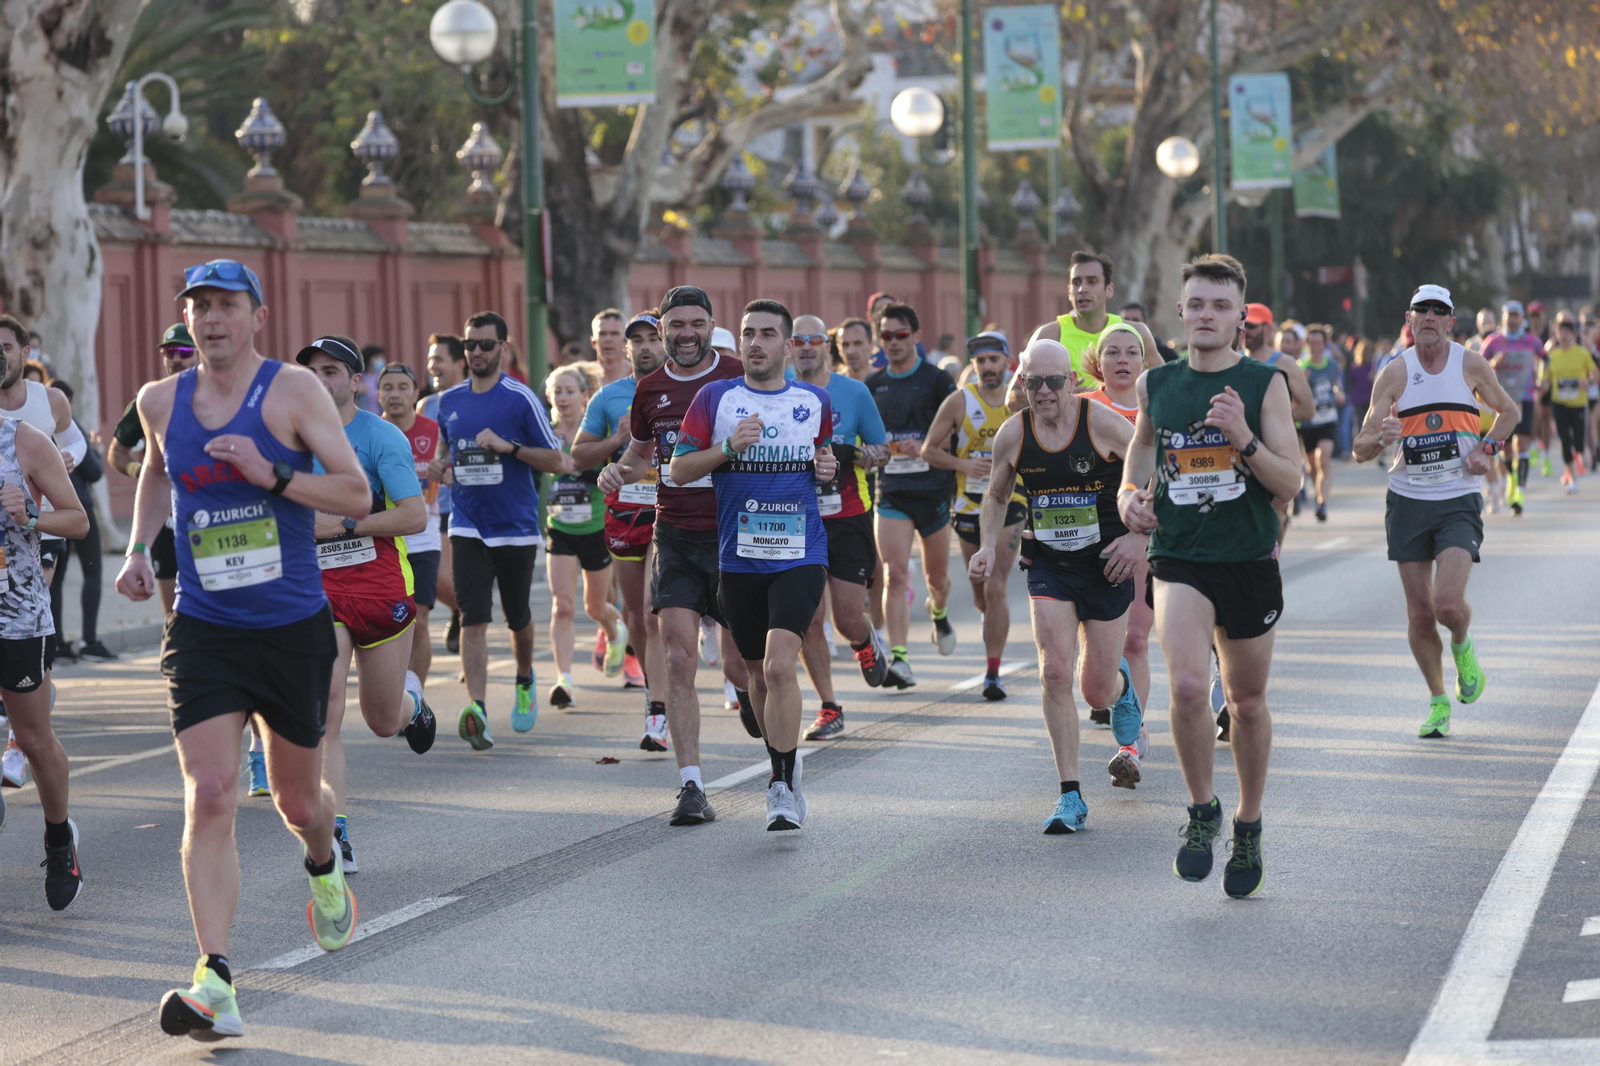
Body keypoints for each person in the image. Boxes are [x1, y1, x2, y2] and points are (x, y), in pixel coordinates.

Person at [114, 259, 368, 1040]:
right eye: (199, 308)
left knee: (297, 803)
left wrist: (273, 472)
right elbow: (157, 473)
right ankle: (215, 979)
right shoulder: (159, 400)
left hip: (290, 626)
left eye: (226, 306)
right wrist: (135, 548)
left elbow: (355, 493)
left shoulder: (293, 391)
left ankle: (324, 867)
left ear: (255, 315)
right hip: (204, 628)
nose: (211, 320)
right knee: (213, 792)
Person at [1119, 253, 1303, 899]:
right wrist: (1128, 495)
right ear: (1180, 311)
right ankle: (1202, 811)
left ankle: (1248, 822)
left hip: (1249, 559)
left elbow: (1291, 480)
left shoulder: (1264, 382)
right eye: (1197, 303)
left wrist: (1243, 436)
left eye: (1220, 306)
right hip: (1180, 559)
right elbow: (1142, 449)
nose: (1206, 315)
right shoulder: (1157, 384)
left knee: (1247, 703)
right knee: (1192, 687)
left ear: (1238, 319)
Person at [669, 300, 836, 830]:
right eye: (747, 334)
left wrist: (827, 468)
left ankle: (781, 786)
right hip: (739, 559)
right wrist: (726, 447)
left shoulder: (814, 400)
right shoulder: (714, 398)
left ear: (787, 346)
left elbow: (823, 461)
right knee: (758, 675)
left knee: (782, 664)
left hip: (800, 554)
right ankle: (783, 760)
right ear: (737, 343)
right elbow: (677, 470)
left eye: (767, 334)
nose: (756, 343)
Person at [969, 338, 1146, 829]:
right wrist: (987, 545)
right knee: (1054, 673)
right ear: (1020, 384)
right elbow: (997, 494)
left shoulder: (1104, 424)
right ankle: (1071, 795)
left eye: (1053, 381)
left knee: (1094, 691)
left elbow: (1152, 471)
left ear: (1072, 382)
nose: (1043, 391)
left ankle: (1121, 686)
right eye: (1032, 382)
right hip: (1049, 563)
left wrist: (1138, 541)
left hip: (1107, 564)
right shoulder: (1013, 433)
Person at [596, 286, 750, 824]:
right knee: (679, 656)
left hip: (738, 534)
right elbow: (643, 453)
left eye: (696, 323)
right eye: (676, 325)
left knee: (738, 664)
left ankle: (751, 695)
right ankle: (691, 787)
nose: (686, 334)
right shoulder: (650, 388)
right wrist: (619, 469)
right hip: (676, 535)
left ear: (711, 325)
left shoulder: (737, 376)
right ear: (662, 331)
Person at [1353, 285, 1517, 739]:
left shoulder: (1470, 364)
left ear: (1449, 321)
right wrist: (1381, 438)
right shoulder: (1393, 373)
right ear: (1409, 319)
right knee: (1421, 615)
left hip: (1457, 499)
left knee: (1447, 605)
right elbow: (1359, 447)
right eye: (1421, 309)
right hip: (1407, 501)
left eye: (1438, 311)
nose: (1429, 316)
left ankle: (1463, 645)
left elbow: (1509, 411)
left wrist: (1489, 447)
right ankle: (1439, 699)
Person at [298, 335, 433, 875]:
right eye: (311, 371)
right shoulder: (286, 437)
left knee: (381, 721)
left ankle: (412, 704)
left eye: (332, 371)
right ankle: (335, 836)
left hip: (379, 582)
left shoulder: (381, 437)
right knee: (325, 714)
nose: (320, 380)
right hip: (316, 589)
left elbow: (413, 516)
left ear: (357, 382)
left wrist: (346, 525)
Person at [428, 311, 569, 750]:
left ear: (503, 349)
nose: (477, 353)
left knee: (517, 615)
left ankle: (525, 677)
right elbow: (445, 455)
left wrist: (510, 448)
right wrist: (440, 470)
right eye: (470, 345)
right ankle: (479, 710)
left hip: (515, 527)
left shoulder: (520, 398)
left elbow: (557, 460)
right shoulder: (449, 401)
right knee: (473, 616)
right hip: (469, 525)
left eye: (486, 345)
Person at [0, 314, 90, 907]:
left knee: (33, 739)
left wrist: (28, 515)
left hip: (17, 613)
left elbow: (78, 519)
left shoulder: (27, 440)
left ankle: (60, 838)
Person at [787, 314, 890, 739]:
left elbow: (882, 449)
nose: (807, 347)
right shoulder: (778, 392)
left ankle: (865, 642)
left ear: (826, 346)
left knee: (847, 620)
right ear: (789, 347)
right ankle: (829, 707)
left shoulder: (854, 391)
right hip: (795, 518)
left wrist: (857, 455)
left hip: (848, 516)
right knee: (809, 622)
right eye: (798, 340)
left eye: (814, 339)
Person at [574, 312, 668, 750]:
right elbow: (578, 456)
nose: (646, 346)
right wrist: (617, 441)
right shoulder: (609, 397)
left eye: (654, 338)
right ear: (626, 349)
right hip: (625, 514)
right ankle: (654, 696)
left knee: (651, 609)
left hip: (671, 513)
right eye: (638, 341)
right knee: (635, 616)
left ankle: (660, 712)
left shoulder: (686, 390)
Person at [923, 330, 1024, 699]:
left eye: (993, 360)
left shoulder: (1021, 401)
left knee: (996, 585)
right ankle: (987, 620)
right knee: (982, 594)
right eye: (980, 361)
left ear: (1007, 361)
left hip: (1013, 504)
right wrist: (963, 463)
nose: (987, 367)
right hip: (969, 507)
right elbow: (928, 451)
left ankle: (992, 673)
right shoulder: (959, 401)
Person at [867, 301, 957, 687]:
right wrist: (877, 452)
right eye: (886, 335)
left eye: (901, 334)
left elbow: (956, 433)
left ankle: (938, 612)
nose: (893, 342)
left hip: (934, 491)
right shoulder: (872, 385)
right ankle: (900, 659)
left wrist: (925, 444)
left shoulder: (937, 381)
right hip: (891, 491)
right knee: (895, 573)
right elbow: (864, 442)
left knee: (938, 579)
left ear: (916, 337)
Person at [1083, 324, 1157, 712]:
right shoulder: (1077, 404)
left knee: (1136, 639)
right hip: (1085, 538)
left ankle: (1132, 738)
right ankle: (1110, 687)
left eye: (1132, 352)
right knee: (1094, 645)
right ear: (1098, 360)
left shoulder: (1158, 407)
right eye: (1113, 352)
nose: (1123, 360)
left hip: (1143, 533)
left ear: (1144, 362)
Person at [544, 363, 626, 706]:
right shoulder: (545, 432)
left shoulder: (595, 431)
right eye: (556, 391)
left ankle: (614, 630)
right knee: (562, 606)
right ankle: (563, 680)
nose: (563, 398)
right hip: (559, 527)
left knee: (595, 607)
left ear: (584, 396)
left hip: (594, 526)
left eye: (569, 391)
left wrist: (586, 462)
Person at [108, 324, 200, 616]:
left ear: (199, 352)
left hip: (215, 518)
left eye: (184, 351)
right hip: (165, 518)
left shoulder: (228, 396)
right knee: (174, 616)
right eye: (169, 352)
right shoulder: (152, 400)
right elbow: (116, 452)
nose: (176, 358)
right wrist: (143, 471)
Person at [377, 363, 443, 687]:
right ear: (377, 395)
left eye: (403, 387)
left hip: (423, 537)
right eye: (388, 388)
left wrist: (448, 474)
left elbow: (453, 475)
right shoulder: (372, 432)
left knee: (420, 619)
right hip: (384, 539)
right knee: (391, 621)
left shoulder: (434, 430)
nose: (395, 394)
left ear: (416, 394)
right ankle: (395, 691)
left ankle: (414, 696)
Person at [45, 381, 112, 662]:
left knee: (55, 579)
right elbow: (95, 472)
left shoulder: (32, 427)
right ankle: (89, 640)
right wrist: (95, 449)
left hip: (51, 512)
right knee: (92, 571)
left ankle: (58, 645)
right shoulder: (72, 429)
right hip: (79, 507)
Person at [1029, 252, 1161, 388]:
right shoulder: (1049, 336)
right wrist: (1062, 397)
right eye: (1076, 282)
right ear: (1069, 292)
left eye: (1092, 281)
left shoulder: (1137, 333)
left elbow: (1168, 386)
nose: (1082, 289)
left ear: (1109, 290)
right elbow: (1014, 397)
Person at [420, 334, 465, 654]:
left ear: (459, 364)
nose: (431, 366)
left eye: (439, 360)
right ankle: (462, 610)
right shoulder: (427, 405)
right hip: (434, 503)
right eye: (430, 359)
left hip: (469, 502)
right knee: (440, 580)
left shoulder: (473, 398)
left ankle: (468, 621)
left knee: (462, 577)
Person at [1480, 301, 1544, 515]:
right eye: (1510, 315)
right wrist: (1493, 365)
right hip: (1502, 400)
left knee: (1522, 444)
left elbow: (1546, 359)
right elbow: (1477, 366)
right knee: (1505, 449)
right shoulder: (1493, 341)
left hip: (1525, 398)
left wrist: (1543, 381)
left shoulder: (1531, 341)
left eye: (1517, 315)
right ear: (1503, 318)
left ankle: (1520, 494)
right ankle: (1512, 479)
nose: (1513, 319)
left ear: (1521, 318)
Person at [1539, 314, 1595, 491]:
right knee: (1564, 440)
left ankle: (1581, 456)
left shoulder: (1582, 353)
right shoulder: (1553, 356)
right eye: (1560, 331)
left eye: (1567, 331)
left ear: (1573, 334)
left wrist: (1588, 381)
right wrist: (1540, 386)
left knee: (1578, 443)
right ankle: (1573, 479)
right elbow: (1545, 381)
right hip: (1559, 403)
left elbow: (1595, 375)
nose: (1563, 335)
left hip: (1578, 404)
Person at [1298, 324, 1346, 522]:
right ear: (1307, 344)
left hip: (1327, 419)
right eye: (1312, 343)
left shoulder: (1332, 365)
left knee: (1323, 459)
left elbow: (1338, 386)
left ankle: (1322, 502)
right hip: (1308, 422)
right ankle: (1318, 491)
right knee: (1312, 466)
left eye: (1319, 343)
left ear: (1325, 345)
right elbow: (1291, 396)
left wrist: (1340, 394)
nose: (1316, 347)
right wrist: (1301, 381)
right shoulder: (1300, 367)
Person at [589, 308, 629, 385]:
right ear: (593, 342)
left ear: (625, 341)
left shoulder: (638, 376)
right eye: (602, 334)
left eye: (614, 334)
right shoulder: (582, 376)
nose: (608, 339)